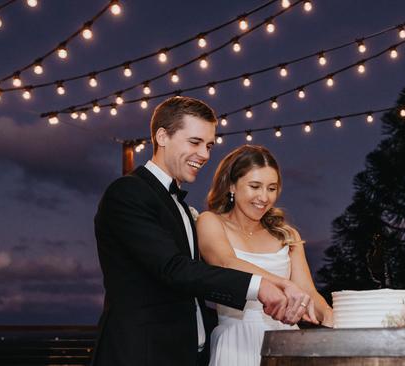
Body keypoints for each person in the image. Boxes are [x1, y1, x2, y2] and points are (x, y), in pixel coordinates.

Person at [91, 97, 312, 366]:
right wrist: (260, 285)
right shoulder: (128, 192)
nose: (205, 155)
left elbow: (194, 286)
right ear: (162, 136)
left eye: (208, 146)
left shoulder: (181, 207)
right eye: (194, 142)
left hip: (184, 354)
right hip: (140, 353)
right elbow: (174, 269)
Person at [196, 144, 333, 366]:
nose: (264, 197)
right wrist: (284, 285)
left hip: (286, 343)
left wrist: (327, 314)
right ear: (232, 185)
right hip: (236, 343)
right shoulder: (210, 222)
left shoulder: (287, 235)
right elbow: (226, 262)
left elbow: (307, 290)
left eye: (271, 188)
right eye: (255, 186)